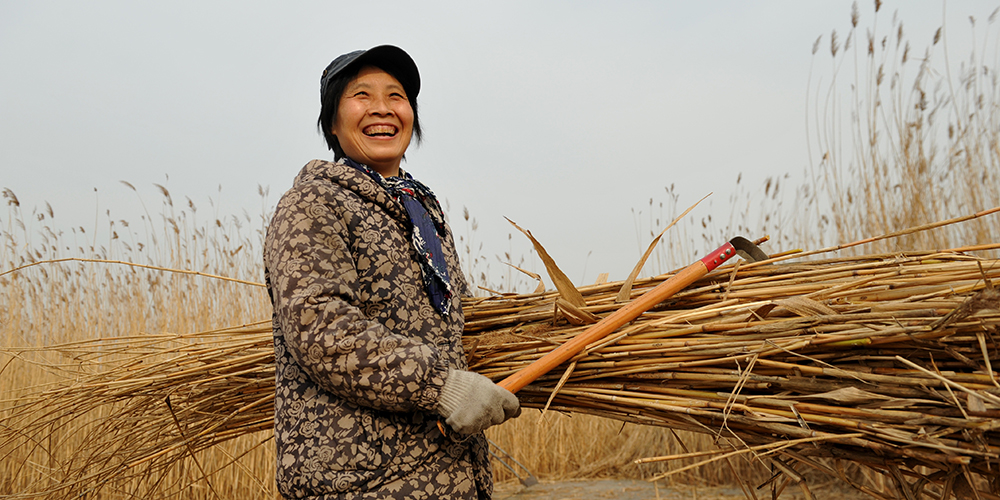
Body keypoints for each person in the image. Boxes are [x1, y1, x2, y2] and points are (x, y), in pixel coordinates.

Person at [263, 45, 521, 499]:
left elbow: (454, 323)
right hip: (363, 484)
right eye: (361, 95)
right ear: (332, 122)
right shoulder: (314, 203)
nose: (382, 108)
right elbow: (321, 328)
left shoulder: (421, 214)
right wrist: (442, 385)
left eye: (396, 96)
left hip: (445, 476)